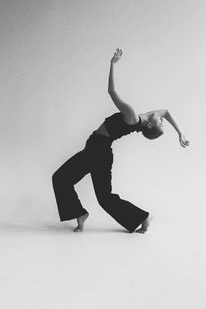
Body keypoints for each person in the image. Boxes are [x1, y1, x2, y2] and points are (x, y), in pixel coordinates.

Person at [52, 48, 189, 234]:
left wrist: (112, 64)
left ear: (149, 126)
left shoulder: (132, 115)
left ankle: (144, 217)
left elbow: (111, 91)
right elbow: (167, 111)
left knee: (102, 197)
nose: (162, 119)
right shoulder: (146, 117)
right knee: (62, 179)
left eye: (160, 124)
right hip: (94, 149)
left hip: (99, 152)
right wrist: (180, 133)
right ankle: (80, 214)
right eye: (162, 123)